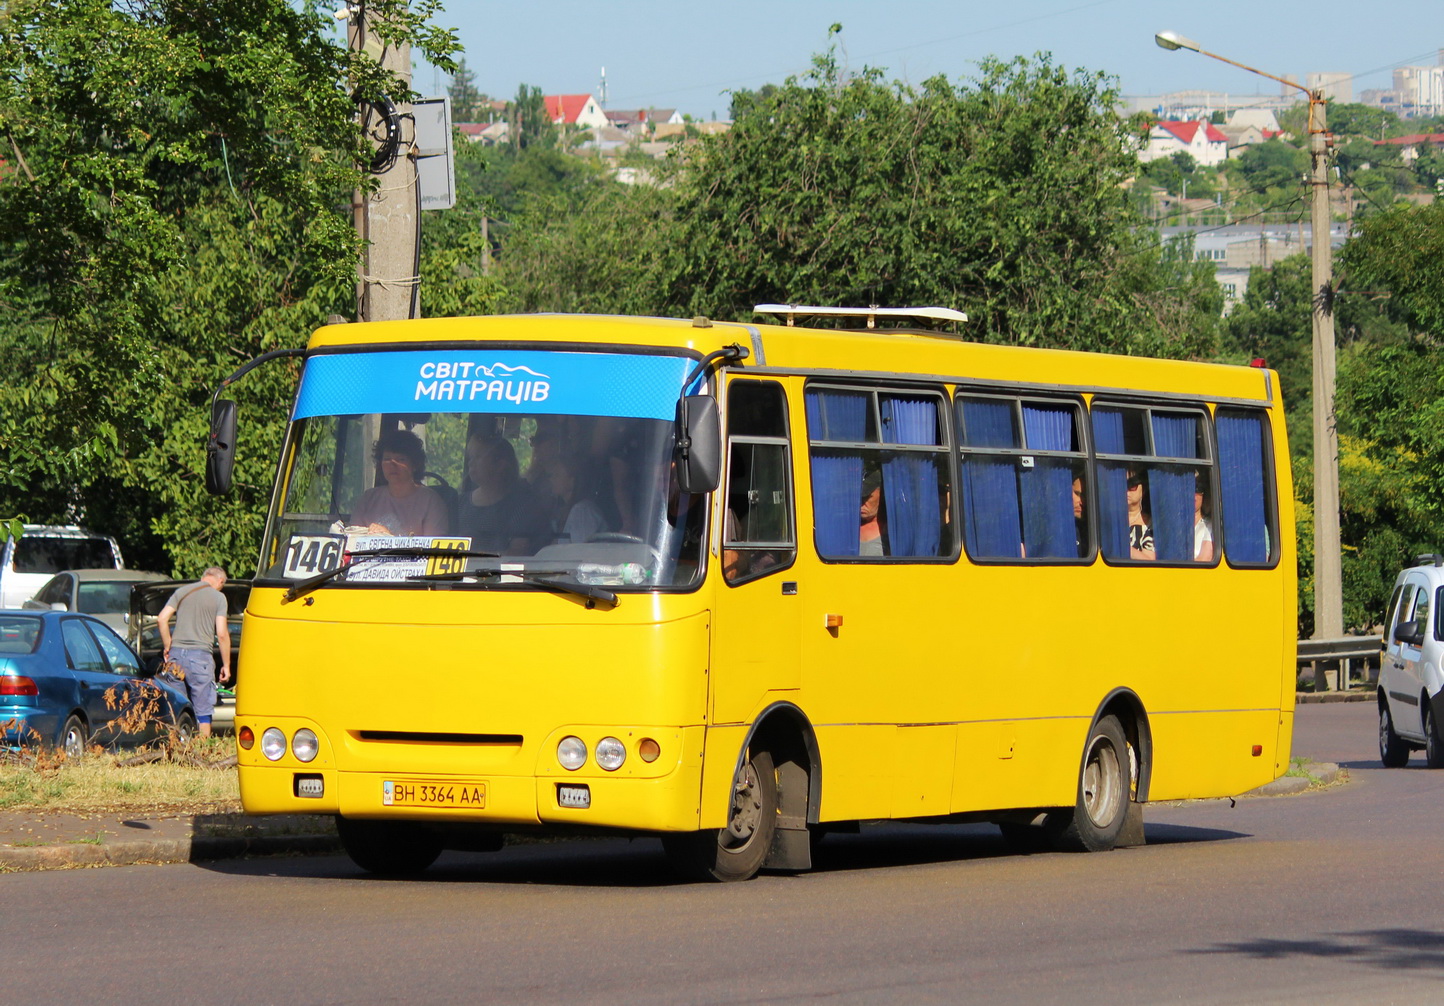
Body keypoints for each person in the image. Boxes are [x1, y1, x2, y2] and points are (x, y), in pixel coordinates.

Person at [157, 567, 231, 740]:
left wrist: (169, 646)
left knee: (177, 705)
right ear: (220, 581)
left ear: (204, 577)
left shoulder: (181, 592)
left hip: (176, 657)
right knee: (203, 708)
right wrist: (226, 665)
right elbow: (222, 633)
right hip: (200, 657)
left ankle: (175, 746)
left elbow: (162, 619)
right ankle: (202, 749)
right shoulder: (219, 598)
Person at [456, 434, 551, 554]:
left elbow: (517, 554)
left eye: (478, 457)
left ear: (500, 464)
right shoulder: (459, 503)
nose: (471, 463)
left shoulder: (522, 507)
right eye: (471, 457)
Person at [350, 429, 448, 536]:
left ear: (415, 464)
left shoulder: (431, 502)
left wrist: (388, 537)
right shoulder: (368, 499)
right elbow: (352, 540)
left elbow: (433, 548)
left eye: (401, 459)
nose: (393, 464)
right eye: (387, 459)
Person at [1126, 471, 1155, 560]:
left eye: (1132, 485)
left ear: (1143, 489)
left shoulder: (1150, 525)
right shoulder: (1109, 521)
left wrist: (1123, 548)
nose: (1126, 490)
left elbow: (1150, 561)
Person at [859, 466, 885, 557]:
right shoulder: (848, 528)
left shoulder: (893, 532)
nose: (861, 502)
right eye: (859, 497)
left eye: (867, 497)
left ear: (881, 495)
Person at [1194, 475, 1215, 562]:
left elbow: (1204, 559)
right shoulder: (1173, 523)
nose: (1193, 494)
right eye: (1188, 488)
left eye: (1198, 488)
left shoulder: (1209, 526)